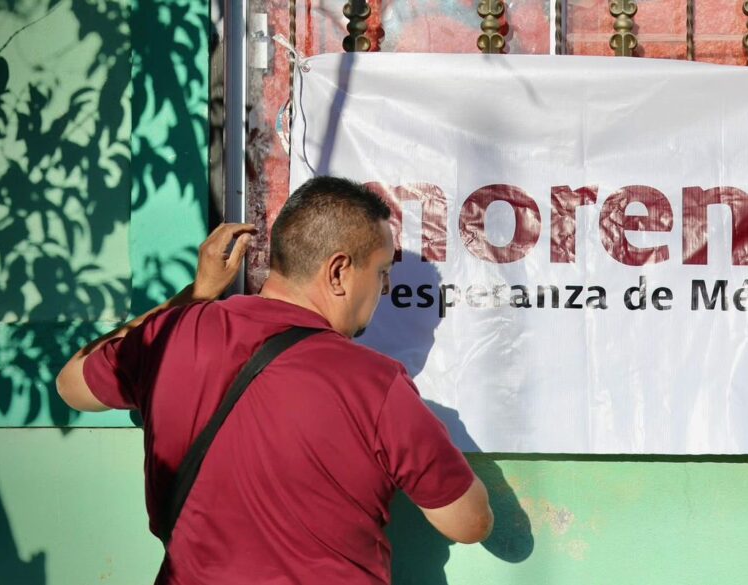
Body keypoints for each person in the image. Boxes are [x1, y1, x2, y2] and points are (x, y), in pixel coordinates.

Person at [56, 176, 493, 583]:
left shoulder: (170, 337)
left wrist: (197, 294)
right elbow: (468, 523)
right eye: (381, 271)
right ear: (338, 271)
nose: (385, 288)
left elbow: (72, 384)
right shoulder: (375, 383)